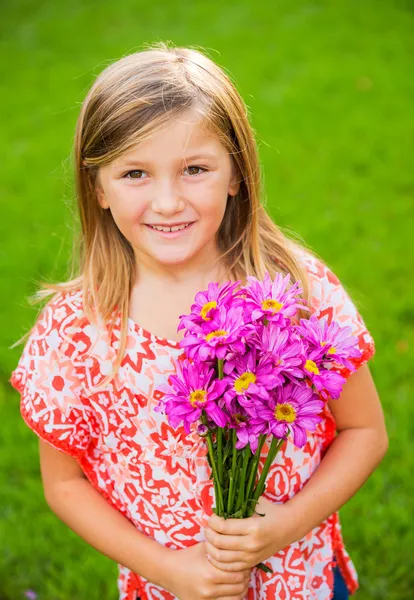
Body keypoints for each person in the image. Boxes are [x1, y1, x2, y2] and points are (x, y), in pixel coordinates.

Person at [10, 42, 388, 600]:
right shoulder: (77, 329)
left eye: (194, 169)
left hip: (299, 580)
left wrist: (280, 529)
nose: (167, 201)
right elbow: (64, 485)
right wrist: (168, 570)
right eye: (135, 172)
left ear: (235, 173)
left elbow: (365, 431)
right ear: (98, 187)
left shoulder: (294, 293)